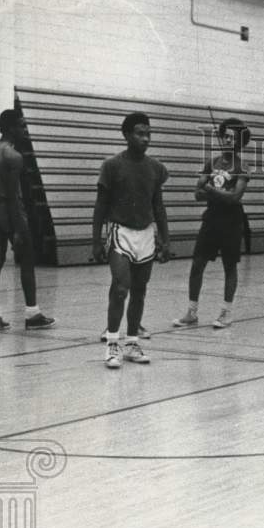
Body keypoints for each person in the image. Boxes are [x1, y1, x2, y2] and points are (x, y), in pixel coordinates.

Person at [92, 111, 171, 369]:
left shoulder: (156, 168)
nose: (145, 138)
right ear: (126, 135)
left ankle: (132, 342)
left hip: (146, 233)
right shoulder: (112, 166)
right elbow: (100, 207)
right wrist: (95, 240)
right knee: (120, 287)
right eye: (140, 133)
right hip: (120, 232)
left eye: (148, 134)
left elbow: (159, 206)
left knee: (139, 290)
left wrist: (165, 239)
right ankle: (112, 343)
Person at [0, 109, 55, 331]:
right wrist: (19, 228)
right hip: (9, 210)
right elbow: (14, 196)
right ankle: (32, 314)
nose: (25, 130)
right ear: (11, 127)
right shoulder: (14, 156)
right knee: (28, 259)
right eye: (21, 126)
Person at [173, 118, 250, 329]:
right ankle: (191, 311)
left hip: (232, 220)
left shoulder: (242, 166)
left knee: (229, 266)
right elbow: (196, 194)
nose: (227, 140)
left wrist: (209, 190)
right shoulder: (212, 162)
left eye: (232, 138)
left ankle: (226, 312)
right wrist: (214, 192)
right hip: (212, 217)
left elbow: (235, 198)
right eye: (225, 135)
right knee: (197, 263)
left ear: (239, 142)